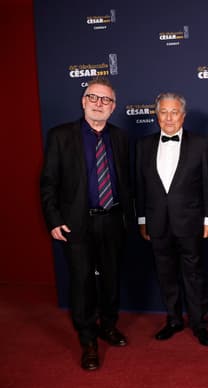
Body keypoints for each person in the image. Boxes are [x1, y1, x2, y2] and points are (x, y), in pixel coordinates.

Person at [40, 77, 132, 371]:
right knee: (81, 283)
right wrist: (54, 219)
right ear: (83, 101)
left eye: (106, 100)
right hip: (76, 224)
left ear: (113, 106)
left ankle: (108, 325)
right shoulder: (60, 136)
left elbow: (126, 183)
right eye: (94, 98)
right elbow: (48, 182)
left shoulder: (120, 137)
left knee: (111, 279)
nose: (99, 104)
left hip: (113, 220)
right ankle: (88, 339)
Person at [135, 93, 208, 346]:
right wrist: (142, 219)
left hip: (190, 221)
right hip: (157, 222)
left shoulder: (201, 144)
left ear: (183, 115)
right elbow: (139, 186)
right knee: (165, 273)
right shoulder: (143, 145)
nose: (169, 118)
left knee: (193, 274)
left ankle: (199, 323)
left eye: (174, 112)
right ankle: (173, 319)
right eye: (163, 112)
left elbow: (207, 185)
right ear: (156, 115)